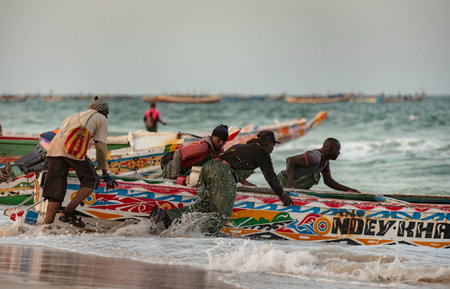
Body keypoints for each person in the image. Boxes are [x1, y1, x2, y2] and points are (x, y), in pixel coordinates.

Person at [151, 130, 293, 235]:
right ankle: (198, 238)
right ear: (266, 142)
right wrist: (282, 194)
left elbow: (231, 163)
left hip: (209, 168)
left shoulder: (240, 147)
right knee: (222, 215)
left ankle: (165, 217)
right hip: (221, 173)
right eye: (273, 146)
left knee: (202, 206)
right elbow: (270, 176)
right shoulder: (261, 151)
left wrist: (244, 182)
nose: (273, 149)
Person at [42, 96, 117, 227]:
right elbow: (101, 147)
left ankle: (45, 227)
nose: (108, 116)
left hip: (54, 150)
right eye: (107, 113)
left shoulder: (73, 115)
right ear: (103, 111)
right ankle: (68, 212)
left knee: (55, 191)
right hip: (71, 151)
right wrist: (105, 173)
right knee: (91, 180)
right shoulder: (101, 119)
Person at [278, 137, 360, 193]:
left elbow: (328, 181)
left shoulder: (325, 161)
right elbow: (290, 160)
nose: (339, 153)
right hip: (282, 183)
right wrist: (291, 186)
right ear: (329, 149)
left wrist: (349, 190)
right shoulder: (314, 157)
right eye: (337, 150)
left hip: (295, 189)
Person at [162, 124, 229, 181]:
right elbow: (178, 153)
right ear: (213, 136)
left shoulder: (219, 150)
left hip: (188, 172)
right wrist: (175, 176)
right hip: (173, 166)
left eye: (224, 141)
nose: (221, 143)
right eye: (219, 139)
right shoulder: (202, 146)